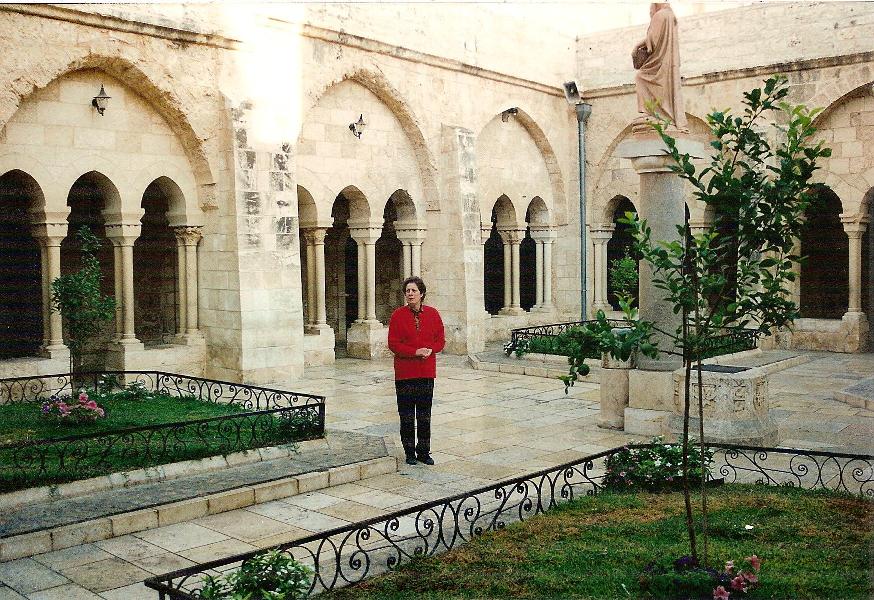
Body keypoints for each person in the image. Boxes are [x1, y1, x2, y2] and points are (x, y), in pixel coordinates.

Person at [387, 276, 445, 466]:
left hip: (426, 372)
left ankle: (424, 452)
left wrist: (431, 350)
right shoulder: (397, 315)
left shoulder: (433, 314)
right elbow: (393, 344)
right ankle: (409, 452)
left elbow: (440, 340)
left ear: (422, 293)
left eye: (413, 291)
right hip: (405, 374)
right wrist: (414, 352)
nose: (410, 294)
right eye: (407, 291)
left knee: (424, 415)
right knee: (406, 416)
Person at [632, 2, 688, 131]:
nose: (650, 13)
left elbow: (652, 40)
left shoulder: (660, 15)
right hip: (666, 61)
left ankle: (650, 112)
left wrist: (636, 46)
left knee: (641, 77)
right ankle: (663, 113)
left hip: (659, 62)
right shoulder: (671, 16)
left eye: (650, 11)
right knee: (663, 86)